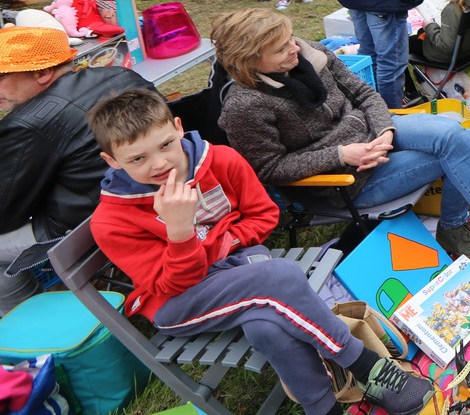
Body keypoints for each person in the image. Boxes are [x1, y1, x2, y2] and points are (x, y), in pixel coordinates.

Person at [87, 89, 438, 415]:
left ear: (179, 127)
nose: (159, 164)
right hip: (180, 300)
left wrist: (223, 243)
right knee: (279, 275)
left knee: (266, 328)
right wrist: (180, 235)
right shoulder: (111, 220)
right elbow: (172, 284)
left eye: (166, 144)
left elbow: (264, 214)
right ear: (111, 160)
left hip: (238, 266)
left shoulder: (220, 160)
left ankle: (323, 409)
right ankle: (366, 366)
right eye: (138, 158)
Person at [213, 10, 470, 271]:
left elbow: (364, 94)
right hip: (347, 180)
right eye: (280, 48)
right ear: (250, 60)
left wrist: (385, 131)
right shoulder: (245, 106)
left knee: (463, 137)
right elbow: (268, 169)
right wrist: (341, 154)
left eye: (290, 38)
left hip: (375, 134)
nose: (294, 48)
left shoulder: (311, 53)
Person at [0, 26, 150, 313]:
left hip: (87, 230)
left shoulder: (27, 123)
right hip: (149, 202)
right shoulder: (121, 75)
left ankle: (36, 324)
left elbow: (4, 214)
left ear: (42, 73)